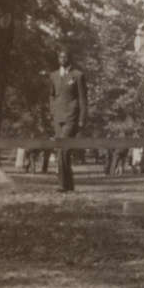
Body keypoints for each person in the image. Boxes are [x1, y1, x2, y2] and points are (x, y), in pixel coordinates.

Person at [48, 46, 88, 193]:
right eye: (60, 57)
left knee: (63, 150)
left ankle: (62, 185)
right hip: (57, 118)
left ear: (69, 58)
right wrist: (52, 111)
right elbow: (51, 95)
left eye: (65, 57)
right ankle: (69, 185)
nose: (62, 60)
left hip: (71, 117)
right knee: (61, 150)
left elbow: (83, 99)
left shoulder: (78, 75)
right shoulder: (53, 75)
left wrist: (82, 118)